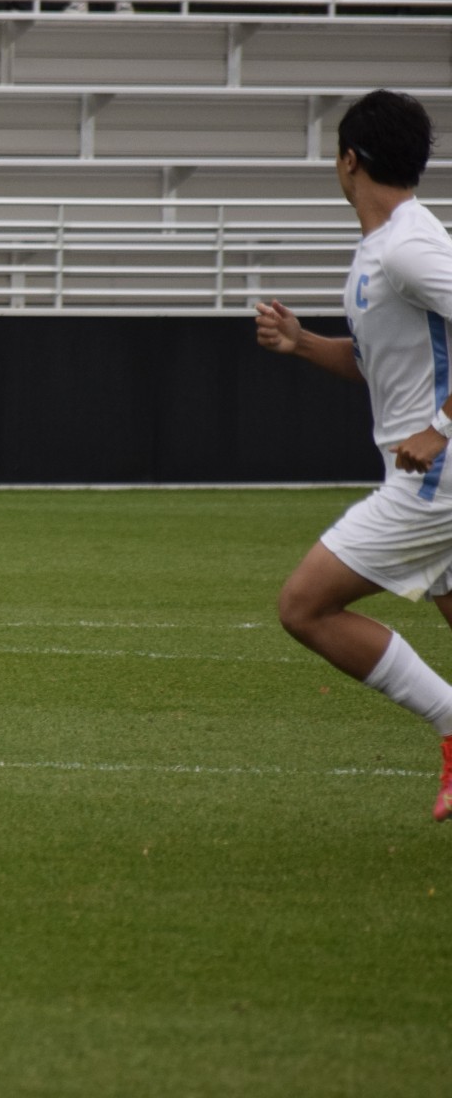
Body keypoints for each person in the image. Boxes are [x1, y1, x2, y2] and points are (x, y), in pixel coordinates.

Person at [255, 88, 452, 821]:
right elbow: (383, 365)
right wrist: (302, 343)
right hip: (428, 472)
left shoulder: (406, 244)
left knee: (304, 606)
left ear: (348, 161)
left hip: (435, 479)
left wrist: (440, 428)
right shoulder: (386, 247)